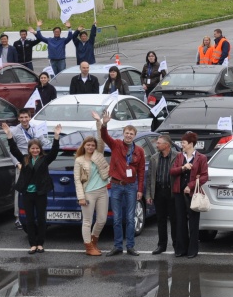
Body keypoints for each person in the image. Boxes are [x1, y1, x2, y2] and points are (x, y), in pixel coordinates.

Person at [2, 122, 62, 254]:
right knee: (29, 220)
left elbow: (54, 152)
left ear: (40, 149)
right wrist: (9, 135)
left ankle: (40, 243)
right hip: (28, 194)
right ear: (29, 149)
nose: (35, 151)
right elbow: (13, 149)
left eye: (37, 148)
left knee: (41, 219)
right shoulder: (24, 159)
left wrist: (56, 137)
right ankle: (32, 244)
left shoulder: (45, 160)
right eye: (32, 149)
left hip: (40, 194)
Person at [96, 110, 145, 257]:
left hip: (131, 186)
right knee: (117, 218)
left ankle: (130, 246)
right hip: (117, 185)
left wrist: (140, 189)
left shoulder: (139, 151)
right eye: (127, 133)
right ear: (123, 133)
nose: (129, 135)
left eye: (131, 133)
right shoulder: (116, 144)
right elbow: (104, 136)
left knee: (130, 218)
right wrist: (104, 124)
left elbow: (141, 171)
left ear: (134, 135)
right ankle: (117, 246)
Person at [7, 109, 50, 230]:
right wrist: (16, 163)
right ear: (18, 119)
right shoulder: (14, 131)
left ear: (30, 117)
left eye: (26, 117)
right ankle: (18, 217)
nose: (24, 120)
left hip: (36, 163)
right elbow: (12, 149)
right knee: (20, 189)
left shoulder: (36, 129)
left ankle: (36, 215)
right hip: (23, 163)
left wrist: (53, 141)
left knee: (37, 188)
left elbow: (44, 142)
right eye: (21, 118)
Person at [170, 132, 209, 259]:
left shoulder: (201, 157)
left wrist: (190, 185)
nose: (182, 145)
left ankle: (193, 250)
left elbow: (204, 176)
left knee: (193, 221)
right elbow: (172, 171)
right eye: (181, 143)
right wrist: (183, 168)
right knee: (180, 221)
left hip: (192, 193)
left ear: (191, 144)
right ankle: (181, 249)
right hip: (179, 193)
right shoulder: (179, 157)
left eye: (184, 143)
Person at [73, 135, 110, 256]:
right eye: (88, 145)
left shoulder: (98, 155)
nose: (90, 147)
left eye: (93, 145)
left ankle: (94, 242)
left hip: (102, 191)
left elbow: (101, 138)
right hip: (88, 193)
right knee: (87, 221)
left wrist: (100, 122)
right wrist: (81, 197)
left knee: (102, 220)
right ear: (84, 145)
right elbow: (77, 180)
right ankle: (88, 247)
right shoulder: (79, 160)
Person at [146, 134, 178, 256]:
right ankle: (161, 245)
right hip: (159, 192)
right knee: (161, 220)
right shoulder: (154, 158)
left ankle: (176, 245)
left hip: (172, 192)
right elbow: (150, 178)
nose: (157, 145)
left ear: (167, 145)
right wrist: (149, 195)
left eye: (159, 143)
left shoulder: (177, 156)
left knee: (174, 220)